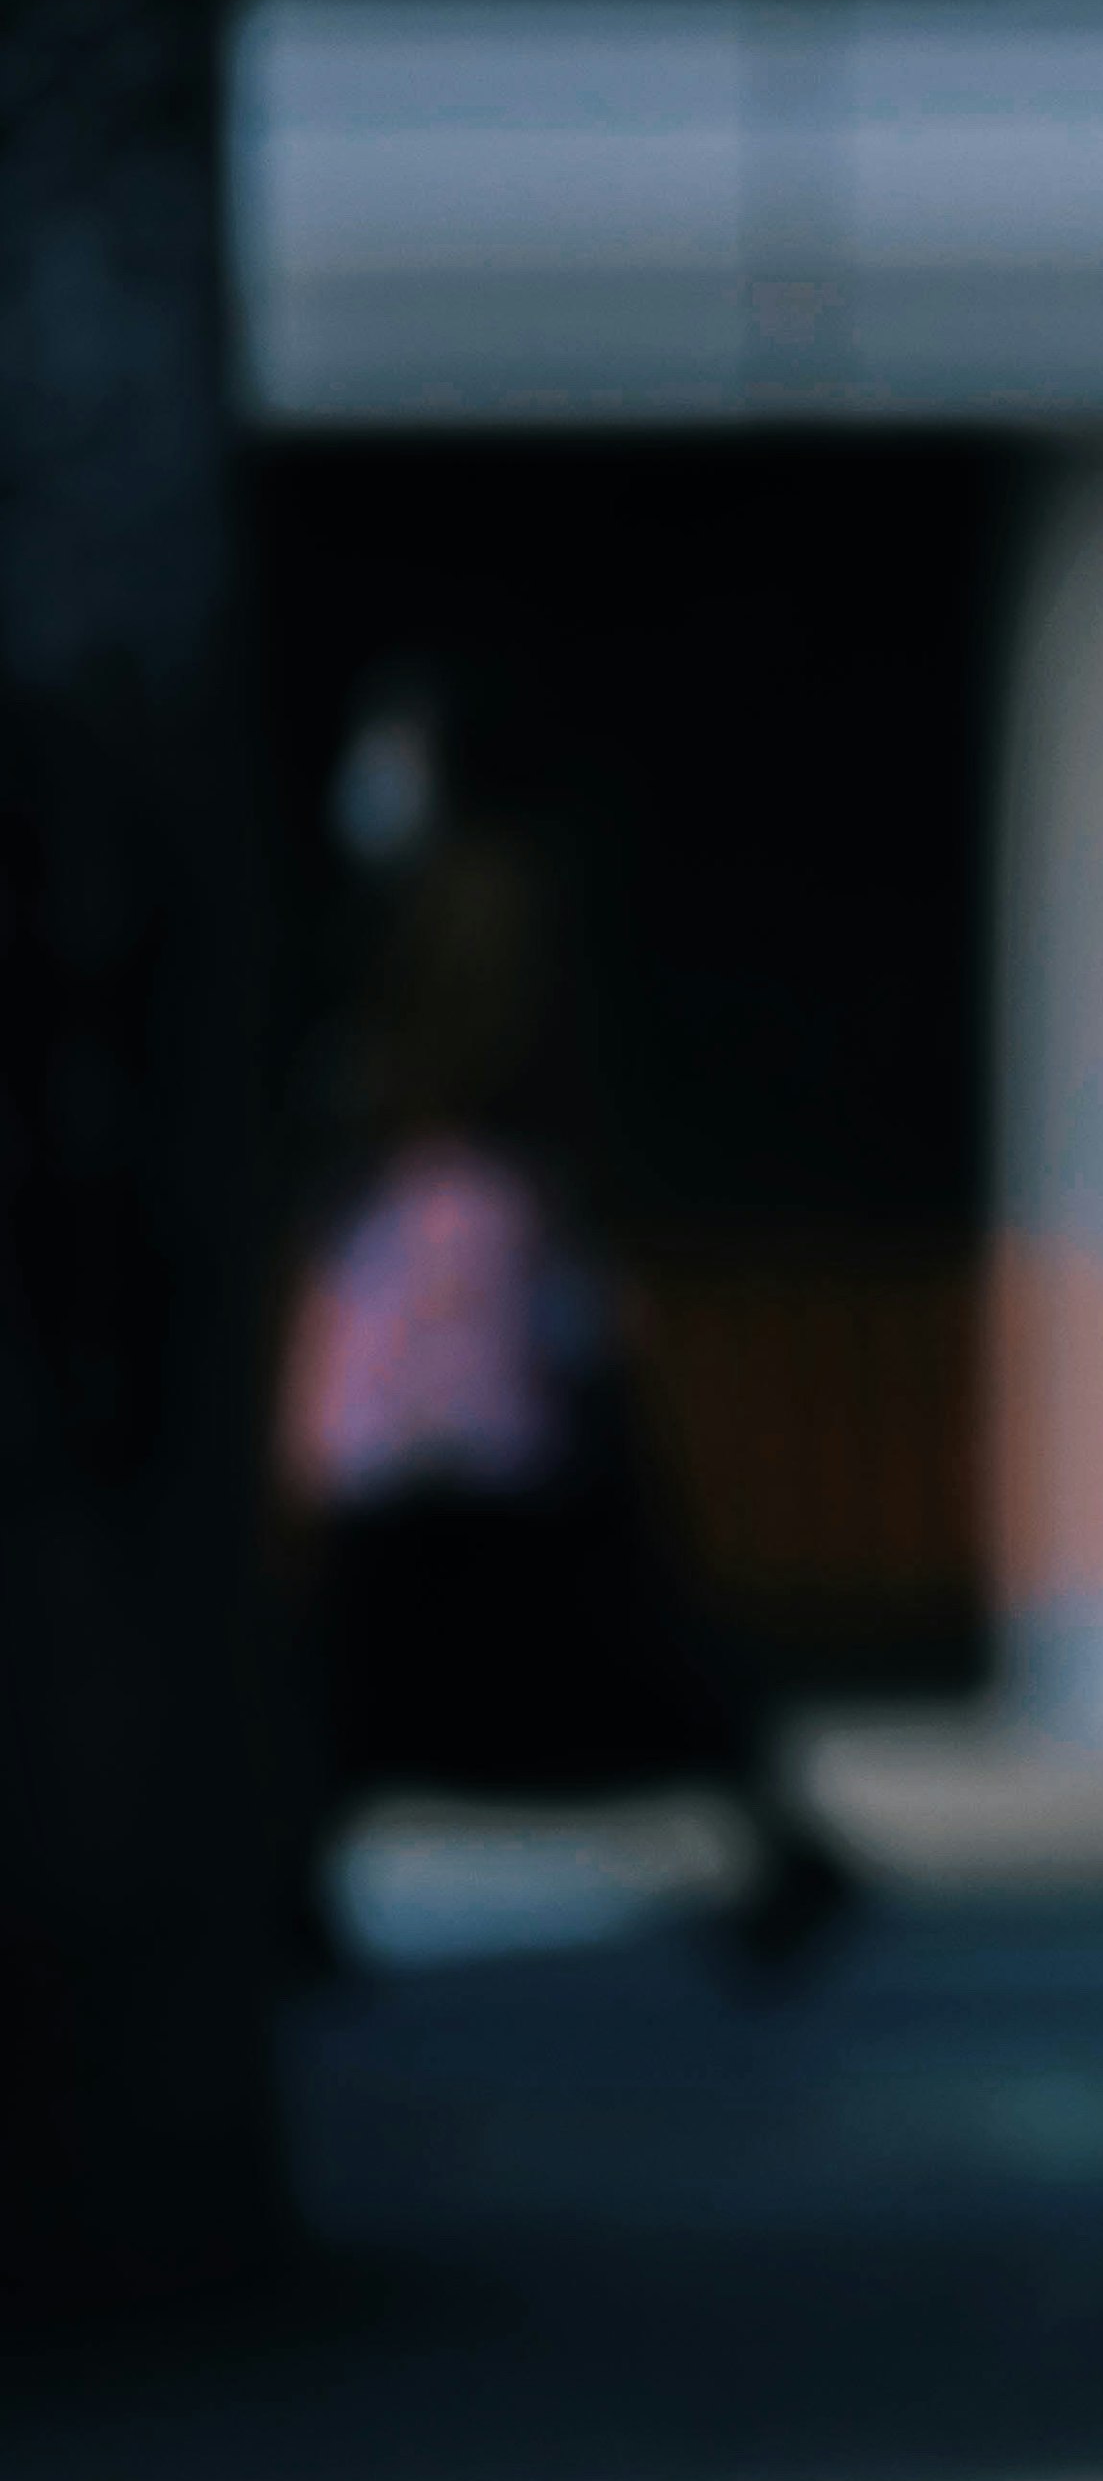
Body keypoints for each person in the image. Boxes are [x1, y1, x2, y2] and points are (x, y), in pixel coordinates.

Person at [279, 836, 859, 1976]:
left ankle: (292, 1894)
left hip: (427, 1523)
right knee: (635, 1682)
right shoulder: (466, 1197)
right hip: (468, 1521)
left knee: (373, 1704)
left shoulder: (431, 1193)